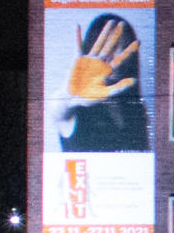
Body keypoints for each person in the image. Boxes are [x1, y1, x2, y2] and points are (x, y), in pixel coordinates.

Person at [57, 13, 150, 152]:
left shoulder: (134, 108)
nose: (116, 55)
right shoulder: (77, 106)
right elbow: (57, 112)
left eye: (122, 47)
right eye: (111, 48)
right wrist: (70, 95)